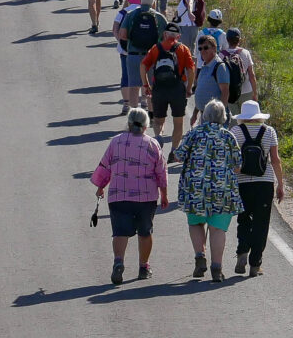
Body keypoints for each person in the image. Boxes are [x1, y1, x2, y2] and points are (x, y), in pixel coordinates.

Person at [90, 106, 169, 283]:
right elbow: (161, 172)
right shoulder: (152, 144)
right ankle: (144, 267)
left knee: (120, 232)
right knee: (145, 232)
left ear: (128, 123)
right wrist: (164, 194)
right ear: (146, 126)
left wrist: (101, 187)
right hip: (146, 198)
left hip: (119, 195)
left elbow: (105, 165)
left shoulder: (116, 142)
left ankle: (118, 262)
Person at [173, 100, 243, 281]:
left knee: (196, 224)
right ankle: (217, 268)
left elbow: (178, 156)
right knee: (217, 229)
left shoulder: (194, 133)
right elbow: (238, 165)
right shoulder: (228, 136)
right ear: (224, 117)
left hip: (195, 188)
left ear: (204, 116)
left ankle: (200, 258)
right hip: (222, 189)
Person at [232, 99, 284, 277]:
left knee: (243, 218)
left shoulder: (235, 131)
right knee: (261, 223)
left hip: (242, 182)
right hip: (265, 181)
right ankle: (255, 264)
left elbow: (232, 159)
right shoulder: (269, 131)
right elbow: (275, 160)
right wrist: (280, 184)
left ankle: (242, 251)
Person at [140, 24, 194, 155]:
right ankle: (174, 151)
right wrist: (188, 88)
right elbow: (191, 70)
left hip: (159, 88)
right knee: (178, 122)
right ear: (178, 36)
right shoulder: (183, 49)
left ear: (165, 34)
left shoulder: (156, 48)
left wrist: (146, 85)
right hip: (177, 89)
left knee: (158, 120)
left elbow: (143, 65)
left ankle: (158, 137)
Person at [114, 0, 166, 111]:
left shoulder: (130, 14)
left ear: (140, 0)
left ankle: (134, 114)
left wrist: (130, 44)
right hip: (152, 56)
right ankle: (151, 114)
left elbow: (122, 34)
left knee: (134, 86)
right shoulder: (159, 17)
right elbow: (167, 37)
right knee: (150, 87)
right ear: (153, 2)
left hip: (133, 55)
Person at [191, 34, 230, 125]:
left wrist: (220, 117)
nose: (202, 51)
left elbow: (225, 92)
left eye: (205, 48)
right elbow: (200, 90)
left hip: (215, 118)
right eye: (200, 48)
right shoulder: (204, 66)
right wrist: (195, 114)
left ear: (214, 48)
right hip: (205, 116)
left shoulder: (220, 67)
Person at [222, 27, 258, 110]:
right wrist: (255, 92)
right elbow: (251, 75)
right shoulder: (245, 53)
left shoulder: (222, 55)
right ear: (239, 40)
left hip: (230, 92)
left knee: (234, 117)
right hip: (246, 91)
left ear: (227, 39)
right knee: (247, 116)